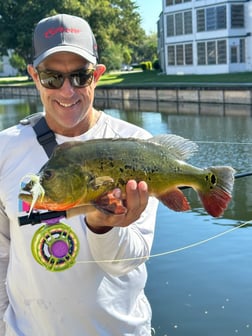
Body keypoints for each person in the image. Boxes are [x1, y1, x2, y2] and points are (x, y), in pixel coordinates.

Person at [0, 14, 158, 335]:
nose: (68, 91)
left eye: (80, 76)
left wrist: (104, 228)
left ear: (97, 75)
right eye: (52, 78)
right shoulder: (4, 150)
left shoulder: (137, 147)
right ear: (34, 76)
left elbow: (127, 262)